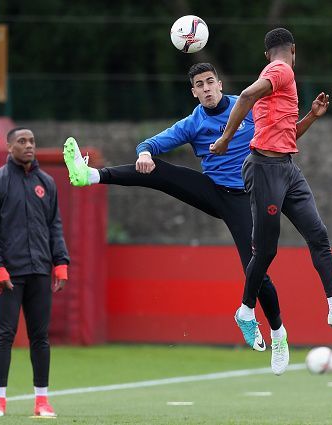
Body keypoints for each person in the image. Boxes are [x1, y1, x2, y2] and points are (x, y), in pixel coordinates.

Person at [63, 63, 291, 373]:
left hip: (248, 199)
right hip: (214, 191)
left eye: (211, 81)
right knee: (157, 170)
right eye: (200, 84)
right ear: (194, 92)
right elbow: (152, 143)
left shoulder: (247, 106)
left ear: (220, 85)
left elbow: (283, 132)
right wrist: (144, 153)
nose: (207, 88)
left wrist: (310, 118)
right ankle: (90, 175)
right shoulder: (193, 123)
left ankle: (278, 334)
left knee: (255, 268)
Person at [209, 27, 332, 372]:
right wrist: (225, 138)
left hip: (286, 166)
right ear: (291, 49)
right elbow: (245, 97)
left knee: (318, 234)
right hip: (265, 169)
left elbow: (286, 134)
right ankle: (246, 309)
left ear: (266, 52)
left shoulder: (279, 77)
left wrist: (311, 116)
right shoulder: (281, 71)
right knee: (267, 250)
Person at [0, 127, 70, 418]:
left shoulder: (46, 183)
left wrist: (61, 263)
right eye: (22, 141)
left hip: (40, 271)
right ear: (9, 147)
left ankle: (42, 401)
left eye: (32, 141)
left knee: (40, 337)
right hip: (8, 274)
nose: (29, 145)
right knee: (3, 335)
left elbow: (54, 225)